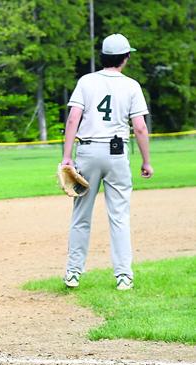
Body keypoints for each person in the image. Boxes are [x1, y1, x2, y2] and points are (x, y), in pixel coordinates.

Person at [61, 33, 153, 290]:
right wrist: (146, 161)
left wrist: (67, 157)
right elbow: (140, 127)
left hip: (88, 152)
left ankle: (73, 273)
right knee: (119, 216)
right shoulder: (131, 85)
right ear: (126, 57)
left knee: (81, 215)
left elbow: (73, 119)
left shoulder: (86, 81)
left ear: (102, 56)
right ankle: (124, 276)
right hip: (116, 153)